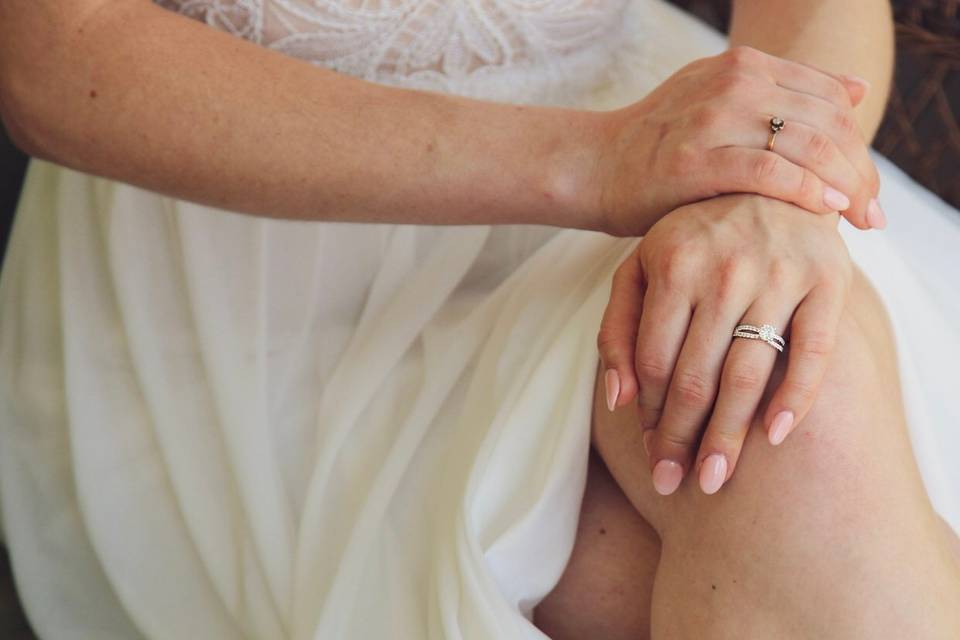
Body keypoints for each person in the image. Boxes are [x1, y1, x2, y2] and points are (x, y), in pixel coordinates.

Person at [0, 0, 956, 638]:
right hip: (256, 239)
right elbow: (47, 51)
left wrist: (774, 188)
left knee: (774, 385)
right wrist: (596, 164)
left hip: (669, 130)